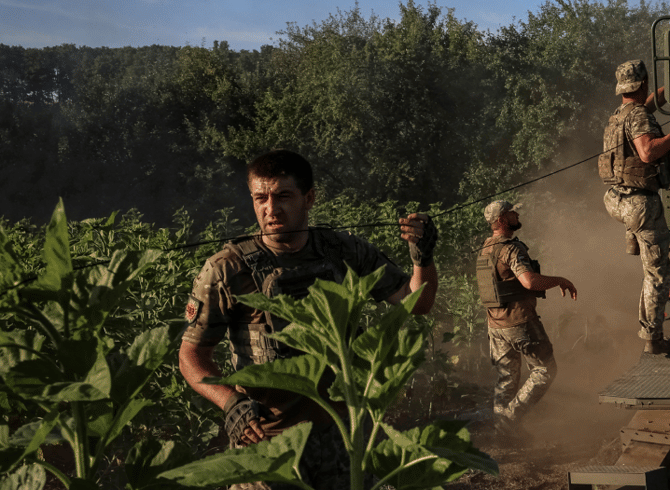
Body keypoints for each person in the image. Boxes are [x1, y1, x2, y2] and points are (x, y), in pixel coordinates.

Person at [177, 149, 439, 490]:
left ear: (309, 197)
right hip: (269, 442)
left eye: (283, 196)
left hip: (342, 437)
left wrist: (423, 258)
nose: (271, 209)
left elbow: (415, 302)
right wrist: (232, 404)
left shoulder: (343, 251)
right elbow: (191, 356)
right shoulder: (227, 268)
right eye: (261, 198)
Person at [600, 59, 670, 355]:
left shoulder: (620, 113)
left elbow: (644, 107)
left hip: (616, 199)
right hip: (639, 204)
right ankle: (653, 338)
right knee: (658, 272)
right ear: (644, 83)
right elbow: (648, 153)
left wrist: (669, 90)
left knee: (649, 260)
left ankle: (632, 235)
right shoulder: (638, 116)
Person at [477, 199, 577, 436]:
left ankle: (502, 433)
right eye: (512, 213)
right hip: (519, 321)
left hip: (495, 324)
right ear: (502, 220)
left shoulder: (485, 249)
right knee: (545, 371)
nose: (517, 215)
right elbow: (529, 282)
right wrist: (560, 280)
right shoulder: (511, 249)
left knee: (506, 378)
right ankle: (508, 422)